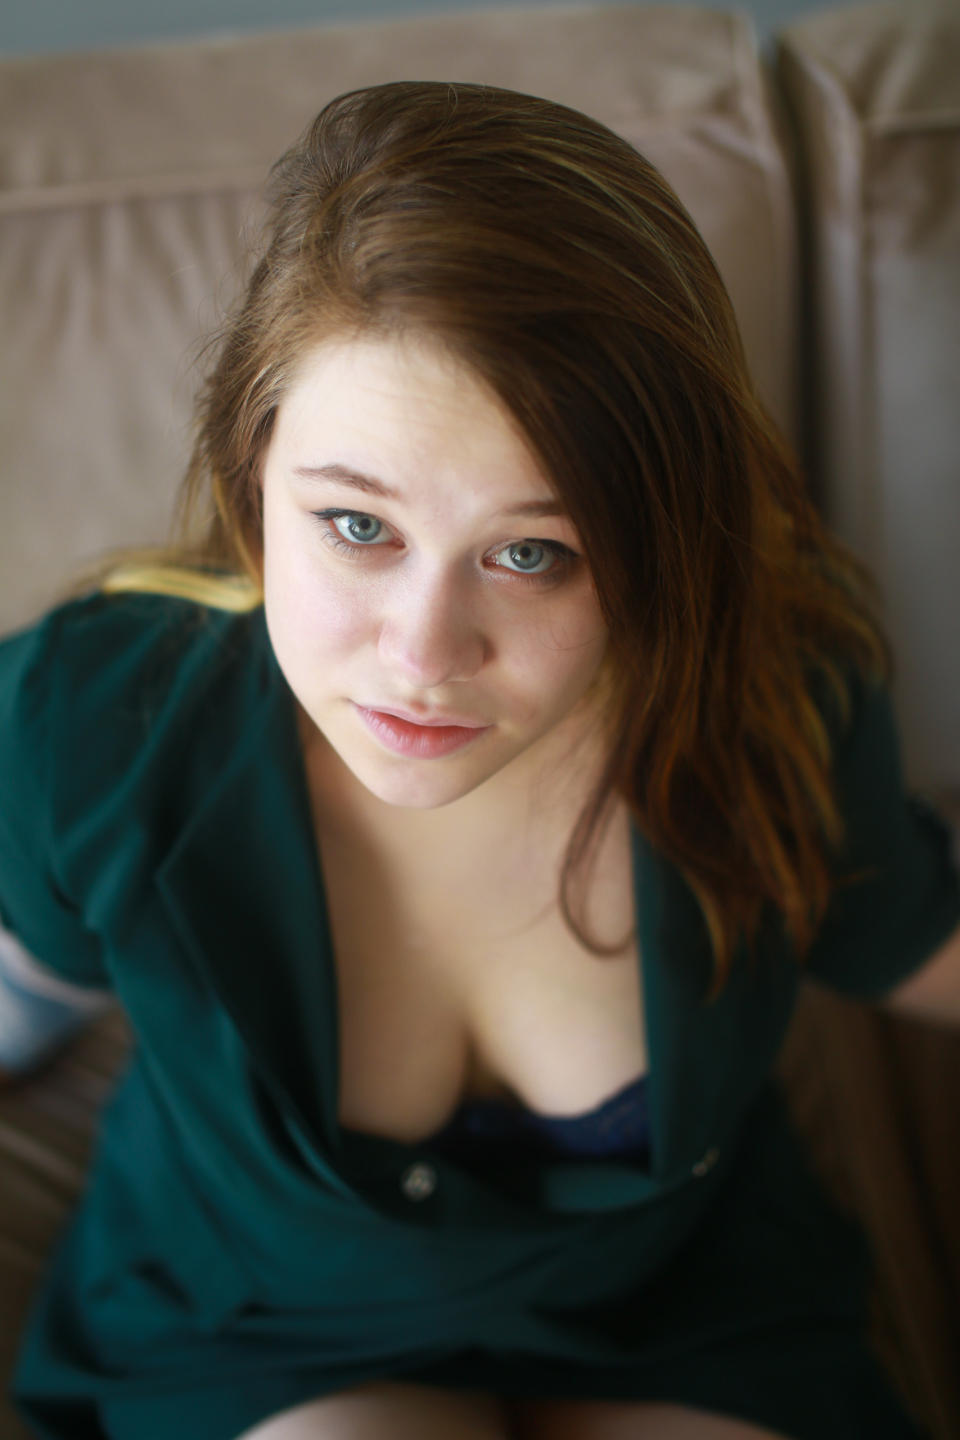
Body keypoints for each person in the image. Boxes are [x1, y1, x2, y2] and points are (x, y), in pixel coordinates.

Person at [2, 80, 959, 1440]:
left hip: (687, 1313)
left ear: (655, 545)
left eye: (531, 552)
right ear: (250, 480)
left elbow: (902, 930)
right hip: (253, 1329)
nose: (425, 653)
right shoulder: (96, 718)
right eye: (357, 527)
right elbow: (20, 986)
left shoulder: (771, 700)